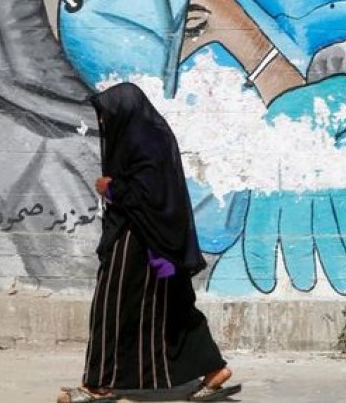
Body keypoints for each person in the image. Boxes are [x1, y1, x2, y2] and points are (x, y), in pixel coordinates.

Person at [57, 82, 241, 403]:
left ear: (123, 114)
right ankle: (214, 372)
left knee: (111, 307)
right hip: (160, 241)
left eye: (106, 117)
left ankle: (97, 385)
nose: (103, 124)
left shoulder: (146, 141)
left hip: (139, 240)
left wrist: (111, 187)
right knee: (174, 308)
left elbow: (149, 193)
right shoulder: (151, 135)